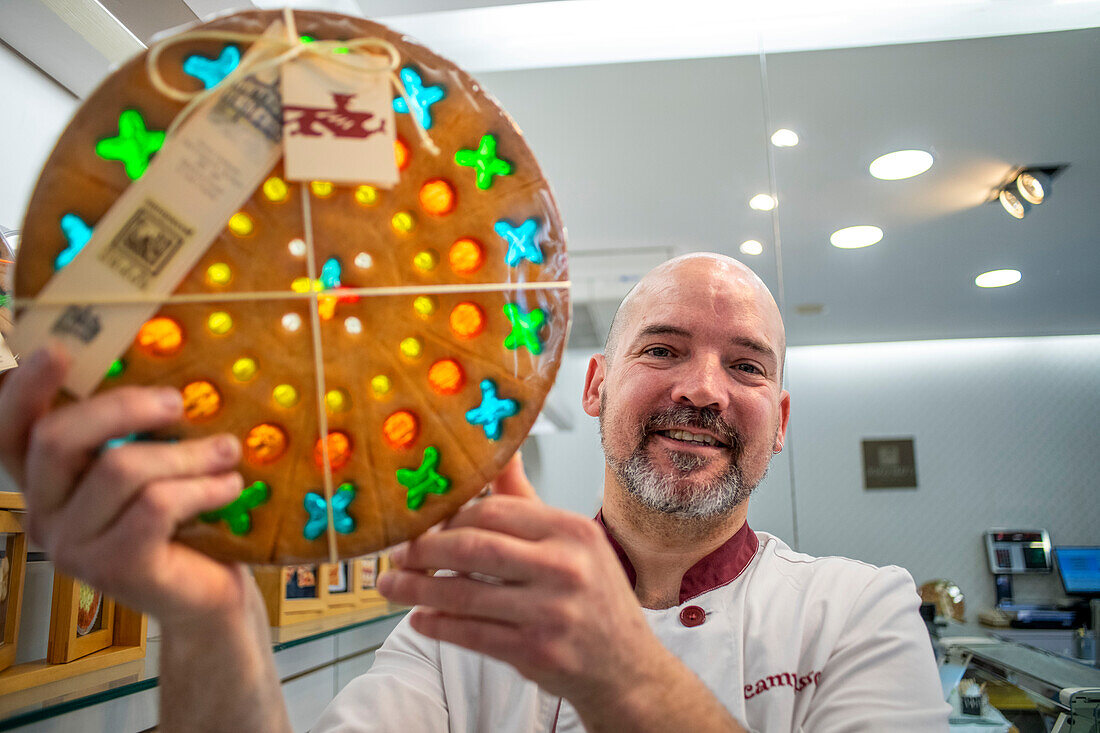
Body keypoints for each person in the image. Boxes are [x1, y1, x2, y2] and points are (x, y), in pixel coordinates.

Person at [0, 253, 949, 731]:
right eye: (661, 349)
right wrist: (213, 615)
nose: (701, 387)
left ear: (779, 421)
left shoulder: (861, 609)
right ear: (593, 387)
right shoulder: (463, 621)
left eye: (743, 365)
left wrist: (621, 671)